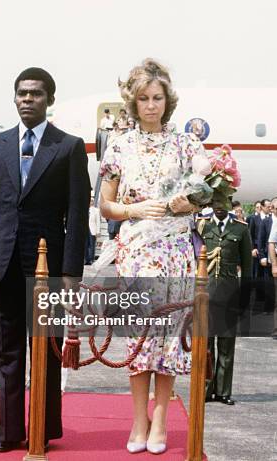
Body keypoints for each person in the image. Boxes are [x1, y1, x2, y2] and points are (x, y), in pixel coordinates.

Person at [0, 67, 90, 452]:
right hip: (2, 262)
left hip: (49, 266)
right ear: (14, 98)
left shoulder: (69, 147)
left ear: (49, 100)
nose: (27, 99)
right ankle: (8, 431)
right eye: (22, 93)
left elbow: (76, 214)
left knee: (45, 351)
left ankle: (42, 427)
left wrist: (72, 270)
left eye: (36, 94)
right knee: (7, 353)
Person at [99, 58, 206, 455]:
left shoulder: (186, 144)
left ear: (168, 100)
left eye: (157, 97)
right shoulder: (119, 145)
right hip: (137, 252)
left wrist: (186, 204)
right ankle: (138, 419)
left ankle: (161, 419)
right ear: (132, 101)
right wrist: (135, 211)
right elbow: (105, 207)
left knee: (169, 339)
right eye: (143, 98)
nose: (150, 105)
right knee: (139, 339)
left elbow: (202, 197)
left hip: (176, 252)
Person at [197, 201, 252, 406]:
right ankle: (205, 388)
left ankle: (223, 391)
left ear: (229, 204)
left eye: (223, 203)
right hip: (206, 293)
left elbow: (247, 266)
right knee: (206, 344)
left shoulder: (240, 228)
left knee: (227, 343)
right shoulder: (202, 226)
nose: (219, 207)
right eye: (215, 203)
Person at [258, 197, 277, 314]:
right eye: (274, 208)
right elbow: (261, 239)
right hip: (269, 258)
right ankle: (269, 307)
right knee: (269, 284)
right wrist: (262, 256)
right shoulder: (266, 221)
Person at [86, 194, 101, 265]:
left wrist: (98, 231)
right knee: (85, 245)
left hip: (92, 230)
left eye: (91, 201)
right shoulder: (85, 210)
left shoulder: (96, 210)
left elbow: (98, 221)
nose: (90, 202)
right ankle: (86, 259)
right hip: (85, 229)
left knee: (92, 245)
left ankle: (91, 259)